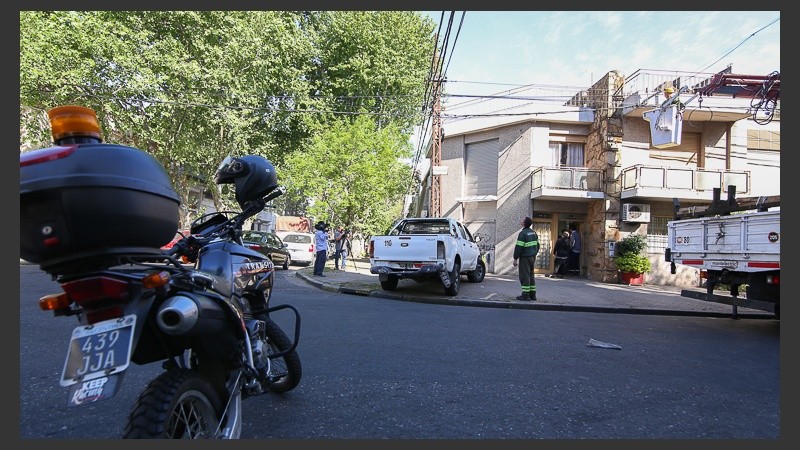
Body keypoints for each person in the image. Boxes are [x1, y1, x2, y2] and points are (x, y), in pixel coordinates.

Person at [512, 216, 539, 301]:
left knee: (524, 276)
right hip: (532, 257)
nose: (521, 220)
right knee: (531, 275)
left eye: (522, 220)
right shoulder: (534, 233)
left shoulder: (522, 234)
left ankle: (525, 295)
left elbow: (519, 247)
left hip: (525, 257)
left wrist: (515, 258)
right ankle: (533, 294)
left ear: (524, 223)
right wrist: (534, 253)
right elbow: (538, 245)